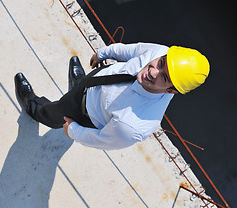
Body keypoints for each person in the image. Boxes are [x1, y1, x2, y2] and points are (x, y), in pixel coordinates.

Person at [14, 42, 210, 150]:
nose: (153, 72)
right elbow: (132, 49)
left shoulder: (133, 125)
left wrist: (73, 130)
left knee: (53, 113)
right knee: (80, 85)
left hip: (84, 112)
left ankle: (34, 107)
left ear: (171, 91)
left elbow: (102, 139)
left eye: (164, 77)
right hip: (96, 79)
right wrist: (103, 53)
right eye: (160, 64)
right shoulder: (162, 53)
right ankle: (79, 82)